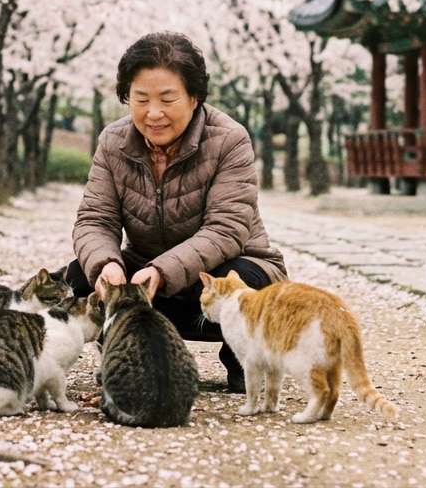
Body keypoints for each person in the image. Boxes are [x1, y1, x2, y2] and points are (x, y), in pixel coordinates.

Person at [63, 31, 287, 392]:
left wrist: (162, 271)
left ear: (194, 97)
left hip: (220, 277)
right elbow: (95, 219)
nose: (154, 113)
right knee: (77, 276)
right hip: (146, 285)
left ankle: (243, 357)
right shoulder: (112, 141)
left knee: (242, 278)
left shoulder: (229, 139)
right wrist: (108, 264)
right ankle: (126, 349)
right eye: (141, 99)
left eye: (168, 99)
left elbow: (227, 229)